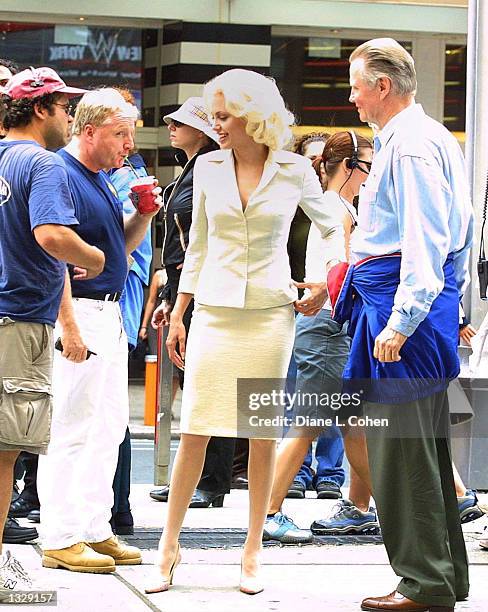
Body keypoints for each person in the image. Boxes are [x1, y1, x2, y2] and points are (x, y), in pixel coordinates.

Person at [145, 68, 345, 596]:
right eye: (214, 116)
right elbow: (199, 248)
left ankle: (253, 548)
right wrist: (181, 311)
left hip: (271, 314)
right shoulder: (208, 168)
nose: (216, 125)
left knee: (260, 433)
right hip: (213, 308)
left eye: (224, 115)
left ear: (254, 117)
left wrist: (327, 279)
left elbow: (334, 224)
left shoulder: (296, 169)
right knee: (195, 429)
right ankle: (169, 546)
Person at [338, 38, 473, 611]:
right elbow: (451, 241)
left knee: (402, 450)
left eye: (356, 84)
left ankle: (425, 581)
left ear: (382, 86)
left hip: (401, 309)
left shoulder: (411, 145)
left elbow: (427, 237)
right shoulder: (424, 137)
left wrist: (403, 320)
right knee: (420, 448)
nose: (352, 95)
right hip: (407, 304)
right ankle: (440, 576)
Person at [37, 88, 161, 574]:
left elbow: (119, 252)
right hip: (81, 314)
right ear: (88, 131)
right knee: (71, 426)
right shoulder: (61, 174)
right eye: (119, 133)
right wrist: (68, 326)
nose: (127, 144)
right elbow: (54, 255)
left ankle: (92, 527)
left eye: (130, 133)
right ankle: (60, 536)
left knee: (108, 428)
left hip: (107, 312)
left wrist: (143, 215)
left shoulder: (100, 178)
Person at [0, 66, 104, 598]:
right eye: (65, 108)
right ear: (40, 109)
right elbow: (51, 235)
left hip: (12, 313)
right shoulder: (41, 163)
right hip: (17, 320)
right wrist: (93, 254)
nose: (69, 117)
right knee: (5, 450)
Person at [264, 130, 378, 545]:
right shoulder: (336, 208)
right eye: (367, 166)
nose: (372, 175)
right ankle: (269, 511)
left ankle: (363, 509)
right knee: (308, 424)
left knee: (355, 424)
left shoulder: (341, 205)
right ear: (349, 167)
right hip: (329, 326)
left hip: (332, 325)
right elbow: (342, 268)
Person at [149, 97, 237, 509]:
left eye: (180, 122)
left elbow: (203, 240)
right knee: (197, 383)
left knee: (209, 384)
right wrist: (171, 295)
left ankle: (213, 479)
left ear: (201, 130)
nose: (171, 126)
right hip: (189, 286)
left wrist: (181, 295)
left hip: (209, 290)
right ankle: (201, 477)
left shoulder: (214, 167)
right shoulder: (191, 170)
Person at [109, 87, 153, 536]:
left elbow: (123, 252)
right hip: (111, 306)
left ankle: (118, 504)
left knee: (106, 410)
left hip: (113, 307)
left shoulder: (127, 181)